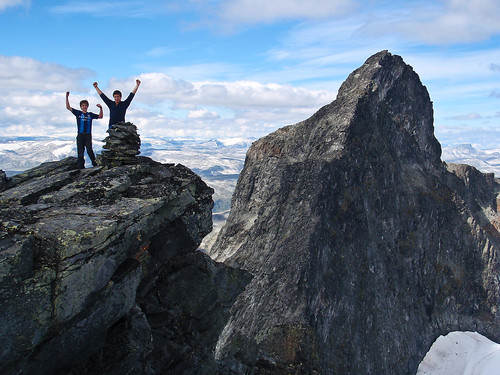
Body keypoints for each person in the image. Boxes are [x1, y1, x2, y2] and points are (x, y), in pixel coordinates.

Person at [66, 91, 103, 169]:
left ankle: (95, 164)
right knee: (80, 152)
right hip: (80, 135)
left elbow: (100, 116)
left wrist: (101, 108)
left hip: (88, 135)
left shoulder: (90, 114)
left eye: (86, 105)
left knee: (90, 151)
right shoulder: (78, 113)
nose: (84, 106)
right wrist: (67, 97)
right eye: (83, 105)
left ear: (88, 106)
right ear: (80, 106)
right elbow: (68, 107)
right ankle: (80, 167)